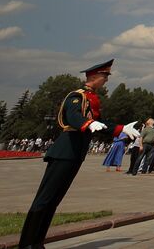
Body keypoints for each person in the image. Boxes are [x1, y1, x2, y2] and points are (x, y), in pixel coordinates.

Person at [17, 58, 113, 249]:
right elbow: (73, 116)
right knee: (44, 199)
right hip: (64, 151)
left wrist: (120, 129)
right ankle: (26, 243)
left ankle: (37, 242)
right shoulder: (76, 96)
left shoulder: (92, 98)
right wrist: (87, 123)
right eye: (104, 76)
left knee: (53, 201)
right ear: (93, 76)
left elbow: (101, 124)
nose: (106, 80)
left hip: (75, 153)